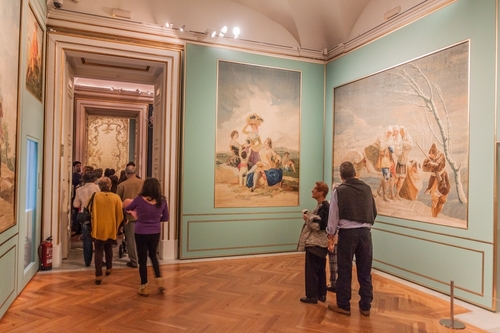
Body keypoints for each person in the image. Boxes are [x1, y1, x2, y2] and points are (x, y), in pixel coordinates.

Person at [327, 161, 377, 317]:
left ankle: (343, 305)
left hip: (347, 235)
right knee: (365, 270)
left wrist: (331, 235)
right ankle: (365, 306)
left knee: (344, 270)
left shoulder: (339, 191)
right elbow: (373, 212)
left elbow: (333, 216)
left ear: (342, 176)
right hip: (365, 234)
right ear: (355, 174)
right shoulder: (367, 189)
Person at [124, 178, 169, 296]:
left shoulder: (139, 199)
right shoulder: (162, 201)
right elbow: (165, 218)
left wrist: (136, 214)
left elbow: (127, 208)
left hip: (141, 232)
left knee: (142, 260)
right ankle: (160, 281)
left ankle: (144, 287)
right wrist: (155, 219)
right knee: (153, 256)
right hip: (155, 232)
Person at [297, 181, 329, 304]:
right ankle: (321, 294)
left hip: (316, 243)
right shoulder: (322, 206)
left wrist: (308, 218)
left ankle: (312, 296)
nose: (312, 191)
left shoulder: (324, 206)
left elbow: (319, 225)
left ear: (321, 192)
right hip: (319, 243)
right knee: (320, 269)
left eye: (315, 189)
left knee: (312, 271)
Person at [90, 177, 123, 285]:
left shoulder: (95, 196)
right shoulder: (116, 197)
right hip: (111, 227)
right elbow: (120, 214)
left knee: (98, 250)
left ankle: (98, 275)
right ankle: (109, 268)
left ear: (99, 186)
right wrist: (118, 227)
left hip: (98, 227)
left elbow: (89, 209)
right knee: (109, 248)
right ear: (110, 186)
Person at [116, 165, 144, 268]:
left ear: (126, 173)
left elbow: (118, 203)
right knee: (142, 239)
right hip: (143, 215)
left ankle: (134, 260)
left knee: (131, 239)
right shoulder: (143, 183)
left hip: (129, 216)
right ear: (135, 172)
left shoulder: (122, 185)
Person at [73, 172, 100, 266]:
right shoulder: (98, 188)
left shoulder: (79, 189)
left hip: (85, 216)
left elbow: (76, 204)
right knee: (98, 238)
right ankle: (99, 259)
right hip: (97, 215)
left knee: (86, 239)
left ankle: (87, 261)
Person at [422, 143, 450, 217]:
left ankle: (436, 214)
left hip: (443, 177)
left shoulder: (441, 156)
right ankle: (433, 216)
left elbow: (440, 165)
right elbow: (424, 168)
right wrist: (429, 165)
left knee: (442, 200)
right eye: (430, 154)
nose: (431, 155)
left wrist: (433, 164)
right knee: (434, 200)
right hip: (434, 178)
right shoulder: (428, 158)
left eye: (432, 154)